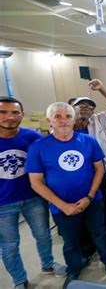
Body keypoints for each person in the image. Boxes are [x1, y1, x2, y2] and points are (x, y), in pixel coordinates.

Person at [26, 102, 106, 289]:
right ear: (49, 120)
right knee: (71, 241)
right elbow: (36, 182)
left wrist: (90, 196)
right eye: (57, 116)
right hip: (62, 207)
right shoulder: (39, 147)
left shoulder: (88, 141)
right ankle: (74, 268)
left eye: (68, 116)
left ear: (74, 119)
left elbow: (99, 169)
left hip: (92, 201)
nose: (63, 121)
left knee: (99, 233)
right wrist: (62, 205)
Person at [0, 97, 65, 289]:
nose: (9, 117)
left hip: (33, 198)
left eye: (14, 112)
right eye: (3, 112)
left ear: (22, 114)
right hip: (3, 203)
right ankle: (19, 280)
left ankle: (48, 263)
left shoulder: (32, 138)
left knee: (43, 234)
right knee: (10, 246)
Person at [72, 79, 106, 254]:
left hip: (98, 173)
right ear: (73, 109)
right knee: (81, 211)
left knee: (104, 210)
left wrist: (102, 89)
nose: (85, 108)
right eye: (81, 106)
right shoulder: (66, 125)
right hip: (76, 178)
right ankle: (87, 247)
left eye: (89, 106)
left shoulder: (97, 120)